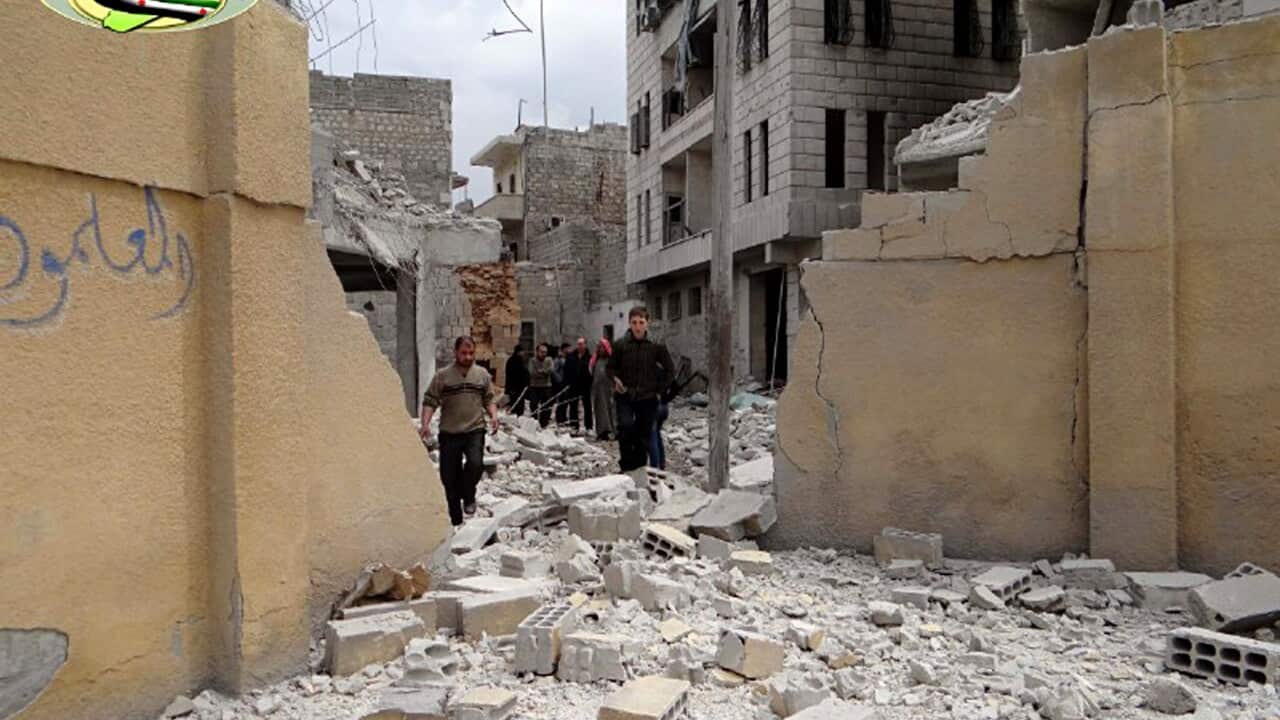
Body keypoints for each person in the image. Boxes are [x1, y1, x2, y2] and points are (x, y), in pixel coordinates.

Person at [419, 336, 499, 527]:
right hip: (450, 432)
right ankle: (455, 519)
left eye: (471, 353)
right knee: (448, 477)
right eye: (464, 353)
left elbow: (489, 398)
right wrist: (425, 424)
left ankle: (468, 494)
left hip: (474, 430)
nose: (468, 356)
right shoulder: (443, 376)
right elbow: (430, 400)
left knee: (475, 464)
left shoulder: (482, 375)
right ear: (455, 353)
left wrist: (494, 416)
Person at [608, 306, 675, 472]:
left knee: (643, 434)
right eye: (634, 323)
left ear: (647, 323)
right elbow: (610, 368)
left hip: (648, 397)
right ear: (629, 324)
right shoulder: (620, 345)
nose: (638, 327)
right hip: (625, 395)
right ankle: (626, 466)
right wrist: (615, 379)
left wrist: (659, 391)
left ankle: (638, 468)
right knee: (625, 427)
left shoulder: (656, 346)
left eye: (641, 322)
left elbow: (670, 371)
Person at [590, 337, 617, 441]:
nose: (601, 349)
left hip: (609, 389)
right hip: (598, 390)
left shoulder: (611, 360)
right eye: (599, 347)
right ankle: (602, 432)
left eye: (602, 347)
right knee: (599, 411)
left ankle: (614, 431)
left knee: (611, 410)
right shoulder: (595, 360)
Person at [565, 337, 593, 434]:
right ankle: (574, 426)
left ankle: (589, 427)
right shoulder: (571, 356)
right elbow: (567, 370)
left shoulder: (590, 357)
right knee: (573, 406)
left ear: (585, 344)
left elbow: (591, 371)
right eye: (578, 344)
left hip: (585, 385)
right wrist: (567, 383)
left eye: (582, 344)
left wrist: (590, 382)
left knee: (587, 406)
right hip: (574, 385)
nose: (580, 346)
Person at [527, 343, 555, 429]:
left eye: (545, 352)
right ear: (537, 352)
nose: (544, 354)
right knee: (534, 405)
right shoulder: (532, 361)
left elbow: (551, 370)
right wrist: (544, 373)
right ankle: (534, 424)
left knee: (546, 406)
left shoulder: (549, 360)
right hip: (534, 386)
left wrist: (541, 371)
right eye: (542, 352)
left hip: (546, 386)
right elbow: (532, 373)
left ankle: (544, 424)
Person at [504, 344, 530, 416]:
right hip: (515, 388)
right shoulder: (515, 361)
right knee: (516, 406)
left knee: (517, 404)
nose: (523, 353)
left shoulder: (515, 360)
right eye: (522, 351)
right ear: (518, 352)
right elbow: (516, 374)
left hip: (517, 388)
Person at [553, 343, 571, 426]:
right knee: (561, 401)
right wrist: (560, 380)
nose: (569, 350)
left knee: (565, 401)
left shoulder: (568, 358)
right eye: (567, 348)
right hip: (561, 384)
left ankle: (563, 417)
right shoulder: (559, 359)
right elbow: (554, 371)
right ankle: (559, 418)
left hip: (567, 383)